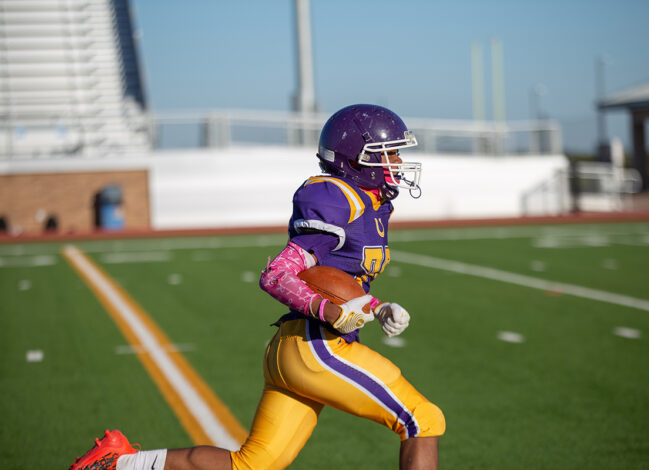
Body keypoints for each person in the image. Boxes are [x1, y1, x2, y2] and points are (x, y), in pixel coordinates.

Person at [69, 104, 445, 470]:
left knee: (252, 465)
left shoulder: (371, 203)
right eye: (387, 154)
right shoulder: (337, 198)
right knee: (422, 419)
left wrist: (375, 307)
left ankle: (117, 463)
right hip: (317, 348)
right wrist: (332, 312)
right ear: (354, 160)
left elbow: (336, 276)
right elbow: (279, 274)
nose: (396, 163)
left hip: (297, 348)